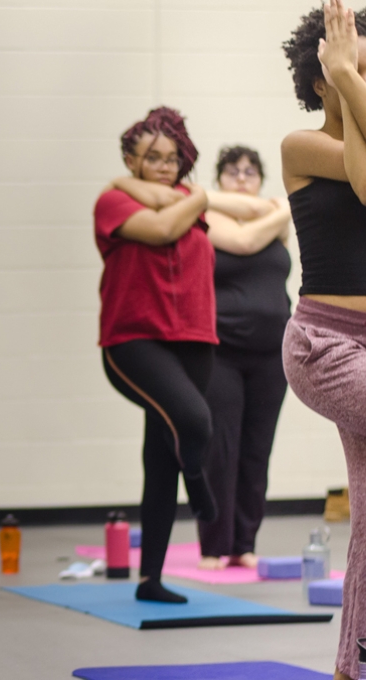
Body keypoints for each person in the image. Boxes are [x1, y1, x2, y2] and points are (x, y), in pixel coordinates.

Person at [94, 106, 218, 605]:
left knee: (160, 457)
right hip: (133, 341)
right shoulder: (111, 203)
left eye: (173, 158)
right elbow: (163, 229)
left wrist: (202, 195)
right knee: (194, 420)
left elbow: (179, 206)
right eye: (152, 158)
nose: (166, 166)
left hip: (194, 339)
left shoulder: (192, 198)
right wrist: (200, 196)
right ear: (131, 159)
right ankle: (201, 487)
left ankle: (151, 579)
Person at [281, 3, 366, 678]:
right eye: (348, 65)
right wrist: (341, 69)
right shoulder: (299, 146)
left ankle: (349, 664)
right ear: (318, 80)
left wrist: (350, 75)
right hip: (325, 346)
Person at [195, 146, 292, 571]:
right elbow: (244, 240)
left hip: (272, 352)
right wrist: (284, 208)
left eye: (251, 171)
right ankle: (215, 545)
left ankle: (244, 542)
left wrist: (278, 212)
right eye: (233, 171)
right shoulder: (208, 216)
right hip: (223, 350)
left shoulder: (275, 221)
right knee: (221, 446)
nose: (242, 177)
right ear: (219, 179)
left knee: (257, 448)